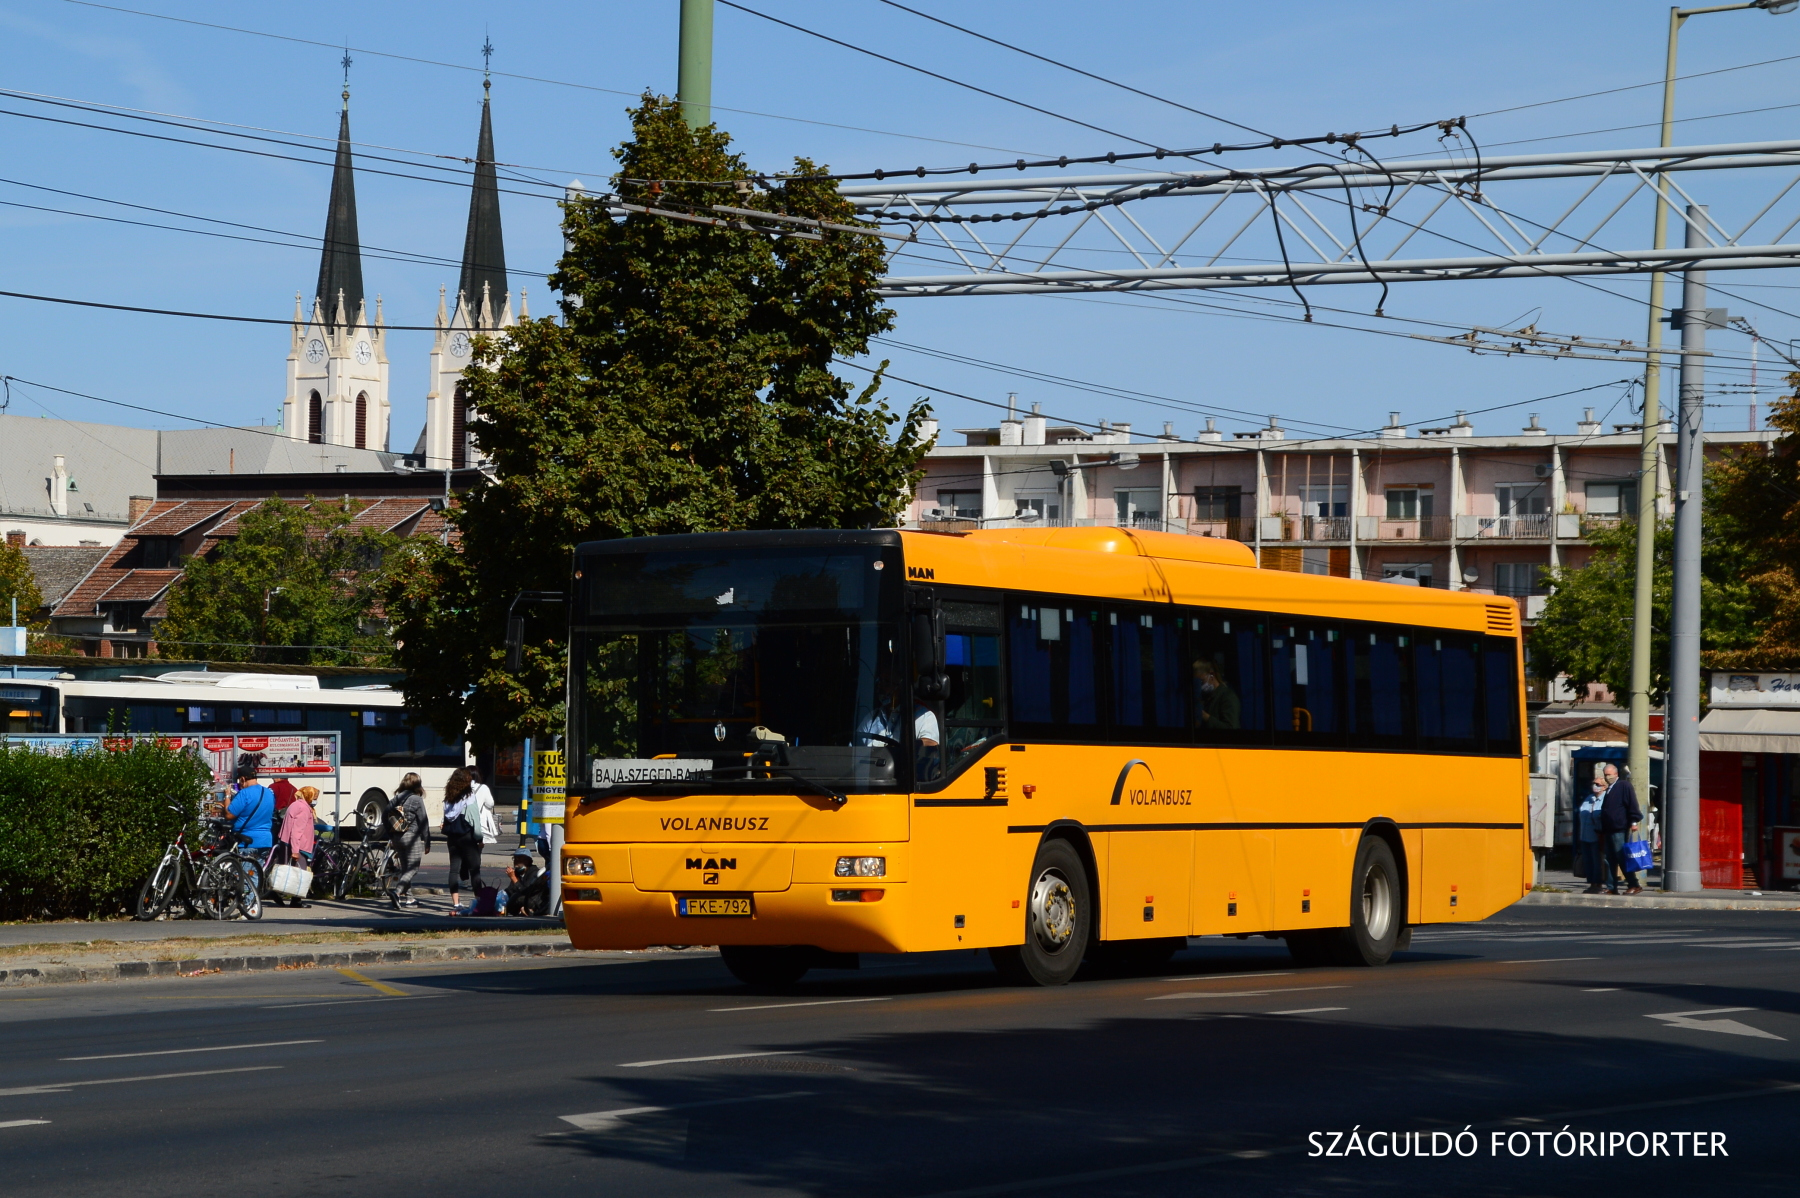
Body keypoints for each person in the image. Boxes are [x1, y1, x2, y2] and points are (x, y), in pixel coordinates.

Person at [442, 768, 490, 915]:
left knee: (454, 870)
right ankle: (478, 901)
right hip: (467, 837)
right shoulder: (469, 797)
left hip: (452, 837)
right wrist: (479, 838)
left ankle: (456, 902)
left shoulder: (448, 798)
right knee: (474, 870)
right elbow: (474, 819)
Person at [386, 772, 430, 909]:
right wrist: (427, 841)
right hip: (412, 837)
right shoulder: (416, 799)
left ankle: (410, 899)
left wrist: (390, 835)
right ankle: (397, 892)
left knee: (405, 869)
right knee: (413, 869)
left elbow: (384, 815)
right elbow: (423, 821)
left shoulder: (396, 798)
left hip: (397, 837)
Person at [1600, 762, 1645, 895]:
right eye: (1605, 775)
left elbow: (1631, 804)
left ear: (1616, 774)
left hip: (1619, 828)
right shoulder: (1610, 788)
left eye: (1609, 774)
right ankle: (1611, 887)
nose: (1607, 777)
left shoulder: (1623, 785)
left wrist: (1634, 821)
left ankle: (1634, 884)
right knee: (1609, 859)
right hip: (1609, 828)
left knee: (1622, 857)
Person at [276, 784, 318, 908]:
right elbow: (297, 831)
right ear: (308, 795)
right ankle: (296, 901)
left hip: (288, 843)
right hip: (298, 846)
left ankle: (278, 893)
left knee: (289, 870)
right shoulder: (304, 809)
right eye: (314, 796)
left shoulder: (296, 804)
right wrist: (295, 851)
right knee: (301, 873)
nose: (315, 800)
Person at [226, 755, 275, 855]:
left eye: (240, 781)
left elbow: (229, 815)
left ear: (243, 779)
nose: (239, 784)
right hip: (265, 841)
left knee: (244, 870)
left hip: (247, 842)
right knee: (260, 870)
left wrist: (227, 796)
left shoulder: (244, 793)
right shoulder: (269, 793)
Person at [1577, 776, 1607, 894]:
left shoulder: (1605, 799)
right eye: (1594, 783)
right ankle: (1591, 883)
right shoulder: (1589, 798)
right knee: (1588, 861)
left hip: (1597, 836)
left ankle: (1598, 883)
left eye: (1598, 784)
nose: (1595, 786)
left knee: (1597, 861)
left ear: (1604, 787)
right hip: (1584, 836)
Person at [1195, 659, 1242, 731]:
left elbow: (1231, 727)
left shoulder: (1228, 696)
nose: (1200, 685)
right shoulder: (1205, 697)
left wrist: (1206, 717)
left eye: (1202, 681)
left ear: (1211, 675)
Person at [501, 848, 549, 916]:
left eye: (519, 858)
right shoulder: (518, 872)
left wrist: (514, 878)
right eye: (515, 858)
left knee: (517, 898)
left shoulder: (534, 873)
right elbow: (510, 890)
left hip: (535, 901)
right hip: (526, 899)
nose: (516, 861)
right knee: (507, 897)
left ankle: (529, 910)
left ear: (528, 860)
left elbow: (526, 891)